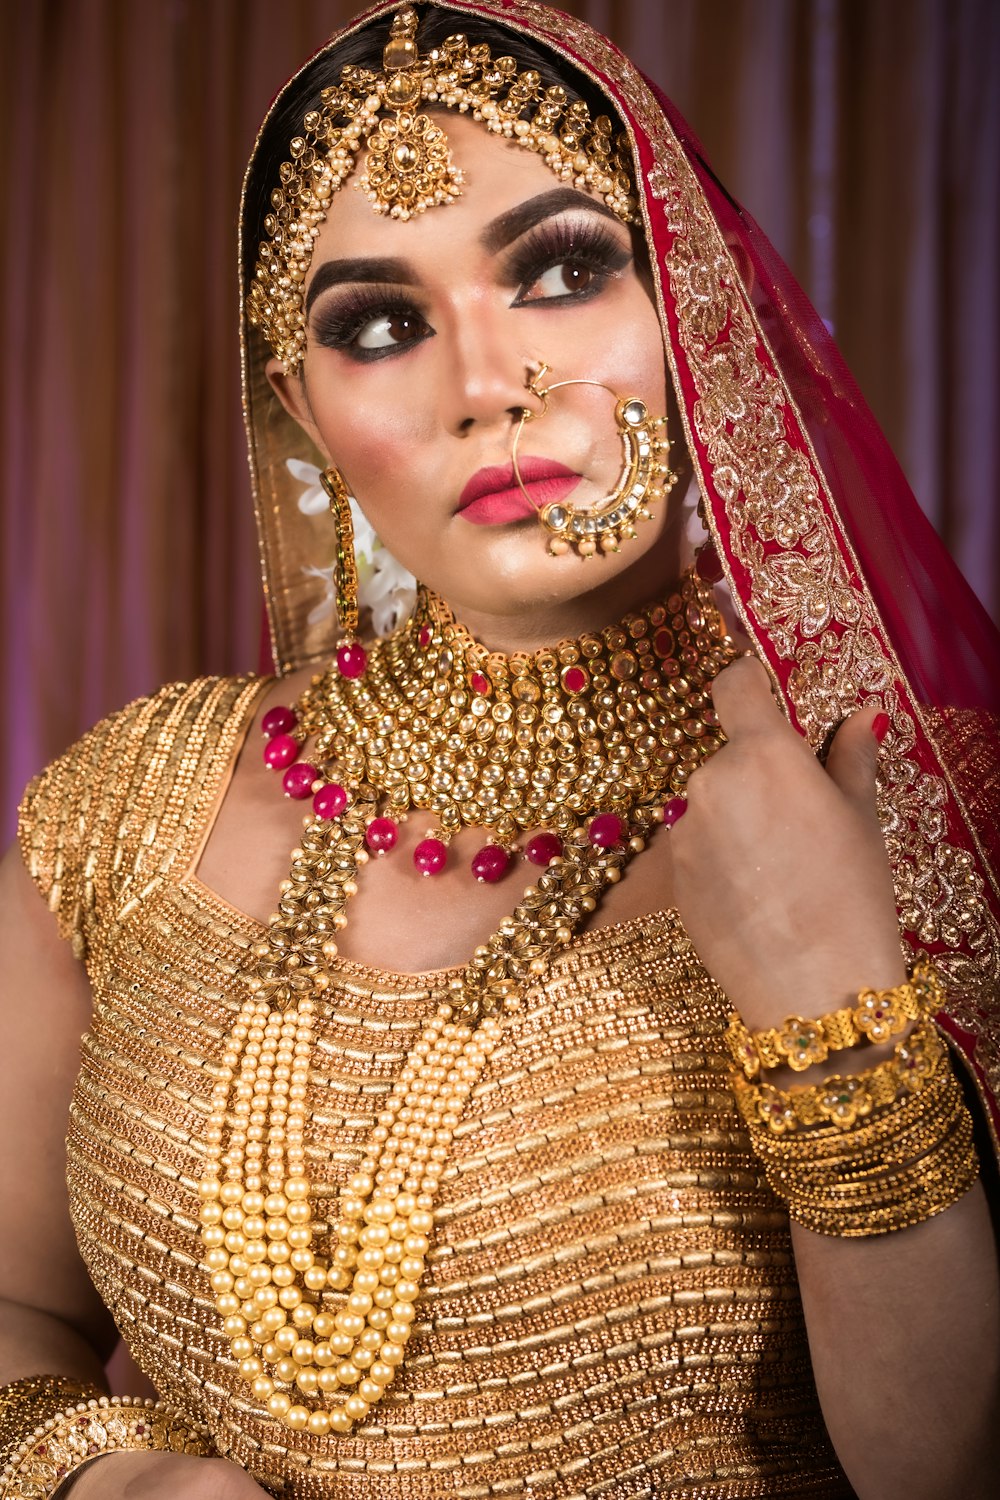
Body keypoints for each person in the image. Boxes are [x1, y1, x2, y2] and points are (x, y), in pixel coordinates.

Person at [1, 2, 998, 1496]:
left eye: (565, 270)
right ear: (305, 413)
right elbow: (16, 1315)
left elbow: (945, 1472)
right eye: (378, 325)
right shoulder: (132, 804)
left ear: (697, 310)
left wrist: (831, 996)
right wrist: (104, 1477)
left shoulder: (926, 803)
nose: (486, 383)